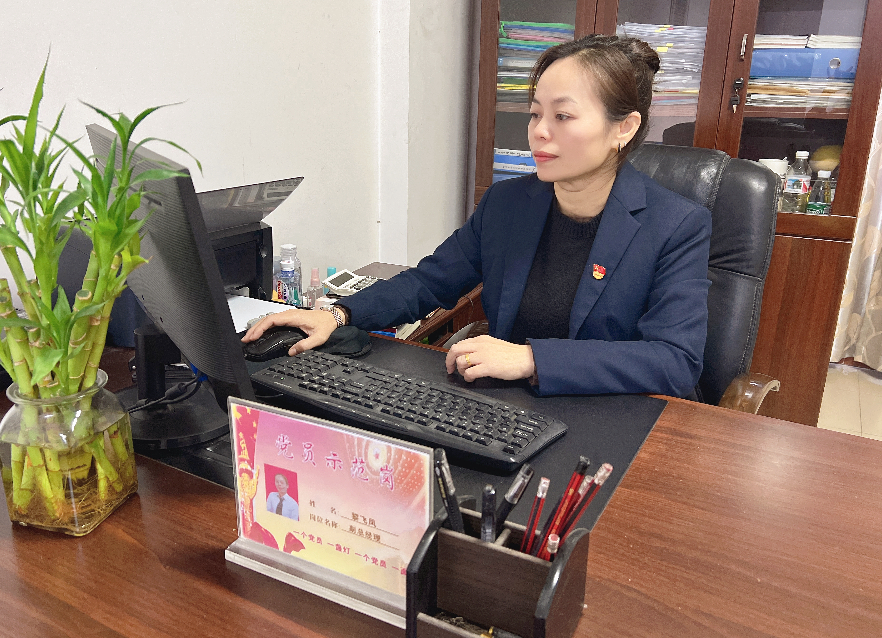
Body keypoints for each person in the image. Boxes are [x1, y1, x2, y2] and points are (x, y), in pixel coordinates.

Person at [243, 35, 711, 398]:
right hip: (513, 412)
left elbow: (675, 362)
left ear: (624, 128)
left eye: (563, 116)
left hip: (616, 422)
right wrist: (338, 313)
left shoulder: (676, 226)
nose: (539, 132)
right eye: (535, 114)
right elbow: (429, 283)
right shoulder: (509, 204)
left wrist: (532, 360)